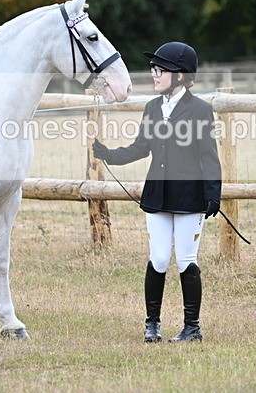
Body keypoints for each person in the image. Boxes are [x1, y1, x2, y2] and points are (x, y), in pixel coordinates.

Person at [92, 41, 221, 343]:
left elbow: (209, 156)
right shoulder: (152, 108)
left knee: (186, 260)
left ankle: (192, 327)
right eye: (153, 69)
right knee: (159, 259)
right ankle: (153, 324)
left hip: (189, 198)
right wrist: (108, 154)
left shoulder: (200, 110)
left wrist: (213, 193)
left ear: (179, 75)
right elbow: (141, 148)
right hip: (158, 196)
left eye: (160, 69)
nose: (154, 74)